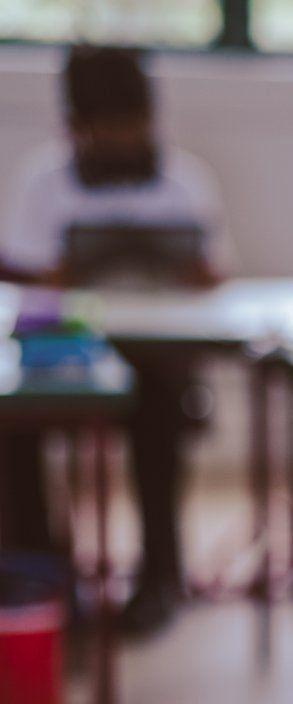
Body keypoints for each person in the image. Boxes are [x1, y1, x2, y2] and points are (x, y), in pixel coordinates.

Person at [0, 45, 231, 637]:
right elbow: (24, 277)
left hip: (154, 365)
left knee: (156, 412)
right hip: (60, 361)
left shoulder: (183, 180)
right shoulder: (44, 181)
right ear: (76, 129)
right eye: (105, 127)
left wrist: (196, 275)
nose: (122, 138)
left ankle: (159, 578)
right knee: (13, 432)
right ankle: (45, 578)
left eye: (132, 124)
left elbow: (216, 283)